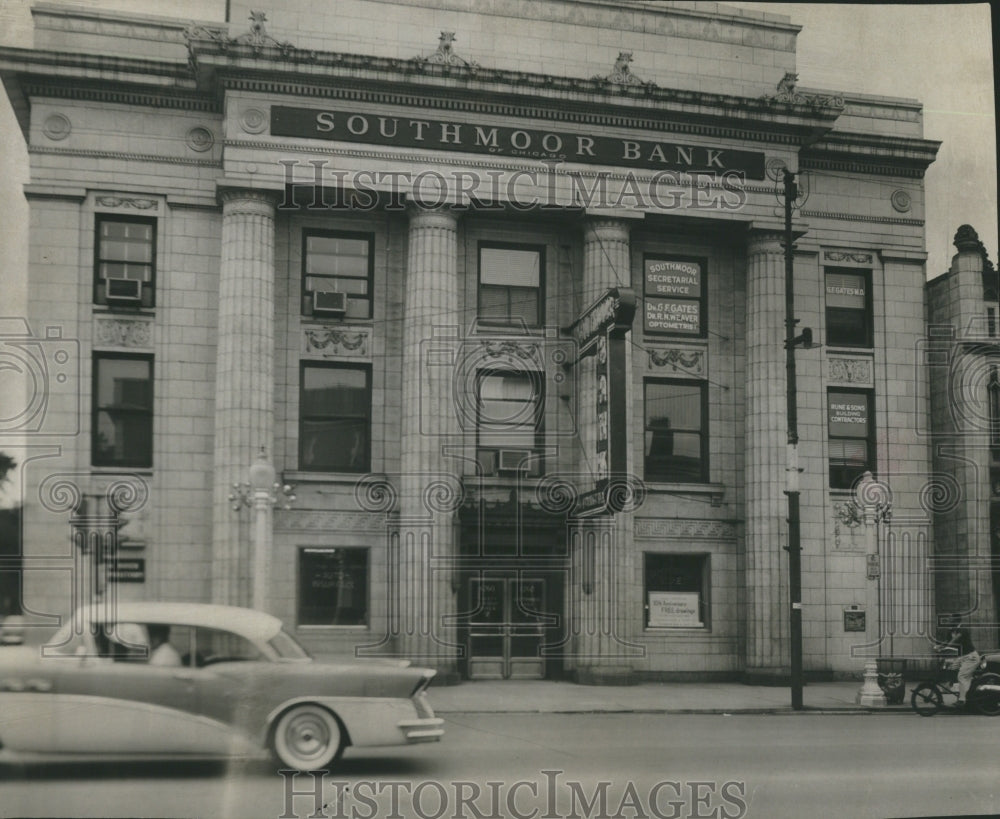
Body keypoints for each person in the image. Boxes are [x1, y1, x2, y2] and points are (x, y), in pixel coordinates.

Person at [942, 617, 980, 706]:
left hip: (971, 656)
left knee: (961, 676)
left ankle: (962, 700)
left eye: (951, 621)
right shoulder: (951, 630)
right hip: (961, 656)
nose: (949, 623)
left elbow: (955, 639)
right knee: (951, 668)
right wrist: (939, 646)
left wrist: (946, 646)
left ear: (957, 622)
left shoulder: (963, 629)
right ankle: (953, 685)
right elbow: (947, 641)